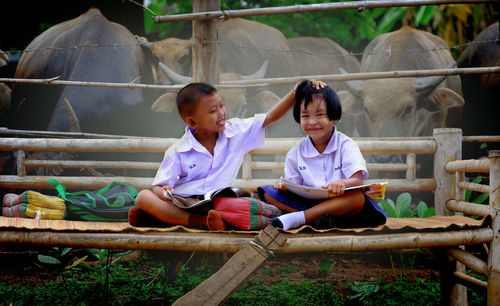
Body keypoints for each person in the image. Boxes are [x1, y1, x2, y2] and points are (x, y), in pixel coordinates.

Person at [132, 81, 324, 230]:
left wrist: (296, 91)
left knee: (242, 206)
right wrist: (162, 192)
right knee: (142, 197)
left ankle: (155, 218)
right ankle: (200, 223)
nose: (221, 113)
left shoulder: (236, 132)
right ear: (192, 121)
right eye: (212, 111)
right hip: (186, 203)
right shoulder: (178, 150)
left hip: (219, 202)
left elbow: (270, 117)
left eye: (221, 106)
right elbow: (160, 186)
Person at [258, 80, 387, 231]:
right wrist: (285, 185)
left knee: (357, 197)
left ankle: (302, 218)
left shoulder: (346, 145)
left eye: (320, 114)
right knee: (267, 192)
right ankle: (317, 218)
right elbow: (295, 185)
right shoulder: (295, 152)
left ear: (334, 117)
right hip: (309, 203)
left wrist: (343, 184)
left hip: (341, 207)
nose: (312, 122)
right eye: (305, 116)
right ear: (298, 118)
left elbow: (357, 179)